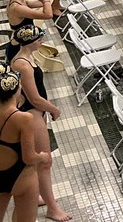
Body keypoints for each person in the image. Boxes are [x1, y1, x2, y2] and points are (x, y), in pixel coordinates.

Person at [9, 25, 68, 221]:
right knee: (44, 162)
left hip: (36, 113)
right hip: (32, 114)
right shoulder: (22, 64)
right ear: (29, 42)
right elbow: (34, 98)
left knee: (40, 162)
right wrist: (53, 108)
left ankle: (38, 196)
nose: (42, 41)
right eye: (39, 39)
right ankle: (52, 208)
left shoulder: (28, 57)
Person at [0, 62, 49, 222]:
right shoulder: (23, 118)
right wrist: (42, 156)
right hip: (21, 176)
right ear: (16, 91)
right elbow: (29, 157)